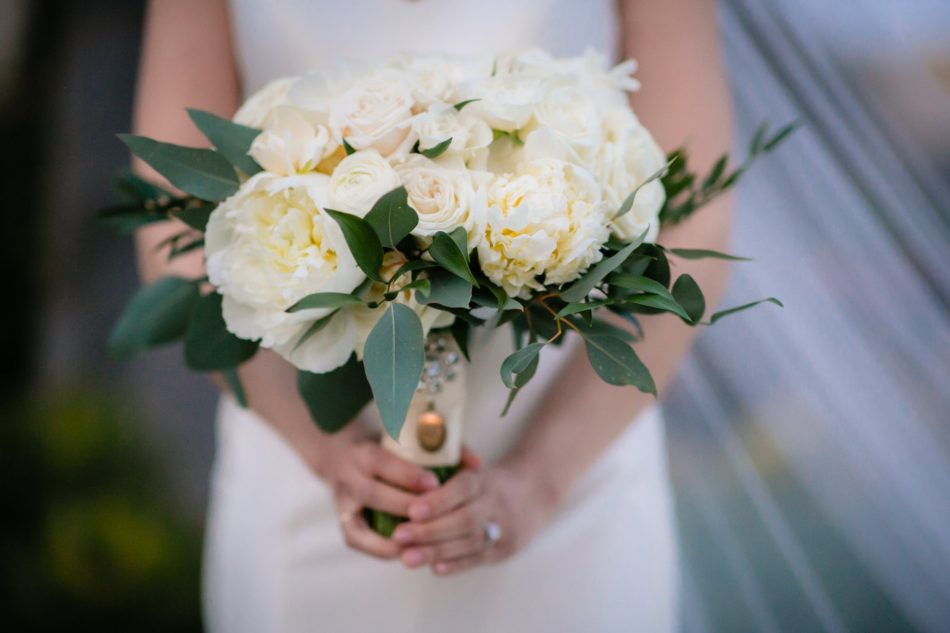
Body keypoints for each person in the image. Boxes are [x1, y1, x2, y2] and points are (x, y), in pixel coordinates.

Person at [132, 0, 733, 630]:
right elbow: (175, 222)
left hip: (570, 475)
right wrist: (327, 452)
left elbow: (692, 214)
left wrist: (539, 481)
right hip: (306, 474)